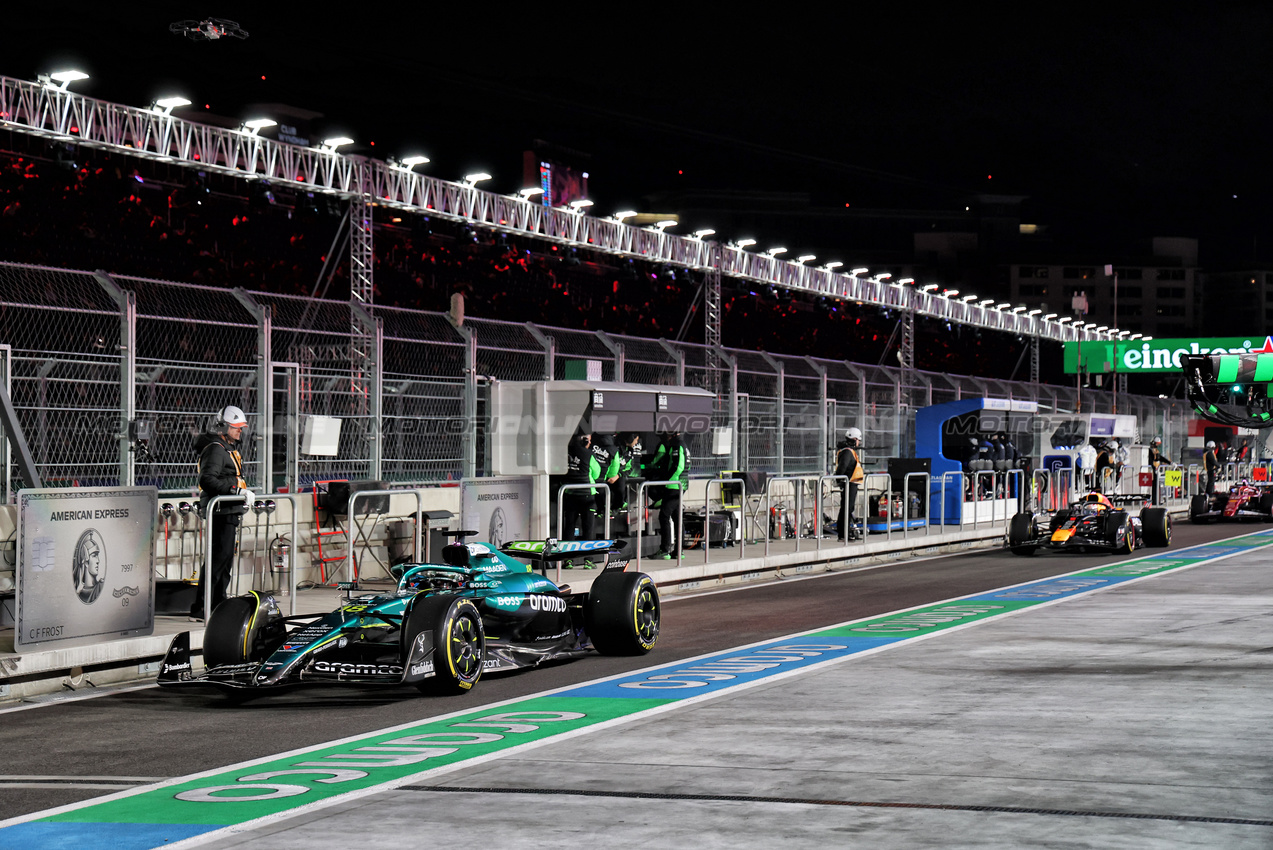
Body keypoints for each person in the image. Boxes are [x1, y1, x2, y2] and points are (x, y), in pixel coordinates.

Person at [191, 405, 252, 622]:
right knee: (218, 559)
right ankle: (203, 606)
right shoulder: (216, 449)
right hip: (221, 510)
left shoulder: (227, 447)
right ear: (224, 426)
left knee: (224, 560)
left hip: (229, 508)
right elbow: (207, 479)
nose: (240, 431)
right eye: (236, 427)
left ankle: (217, 602)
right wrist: (235, 490)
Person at [646, 431, 689, 560]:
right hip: (679, 485)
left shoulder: (677, 445)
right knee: (676, 517)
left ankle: (665, 549)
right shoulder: (682, 444)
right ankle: (678, 550)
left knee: (664, 515)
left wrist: (666, 480)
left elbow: (678, 467)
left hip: (674, 486)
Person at [560, 432, 596, 560]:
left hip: (570, 494)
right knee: (588, 529)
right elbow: (596, 472)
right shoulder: (589, 454)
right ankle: (588, 560)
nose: (590, 443)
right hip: (587, 495)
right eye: (589, 440)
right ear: (585, 441)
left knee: (569, 528)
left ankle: (567, 560)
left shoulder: (565, 451)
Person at [835, 427, 864, 541]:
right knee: (846, 509)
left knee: (848, 509)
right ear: (854, 439)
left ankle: (846, 533)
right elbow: (842, 468)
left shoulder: (849, 451)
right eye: (858, 440)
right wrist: (840, 480)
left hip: (852, 483)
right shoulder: (847, 452)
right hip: (848, 483)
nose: (859, 442)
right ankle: (843, 534)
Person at [1148, 436, 1171, 504]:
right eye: (1157, 444)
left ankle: (1157, 500)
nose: (1158, 445)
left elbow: (1160, 457)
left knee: (1157, 485)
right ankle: (1154, 500)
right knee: (1154, 485)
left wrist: (1169, 462)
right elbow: (1151, 460)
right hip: (1153, 469)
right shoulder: (1150, 450)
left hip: (1157, 469)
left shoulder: (1155, 450)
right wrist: (1152, 468)